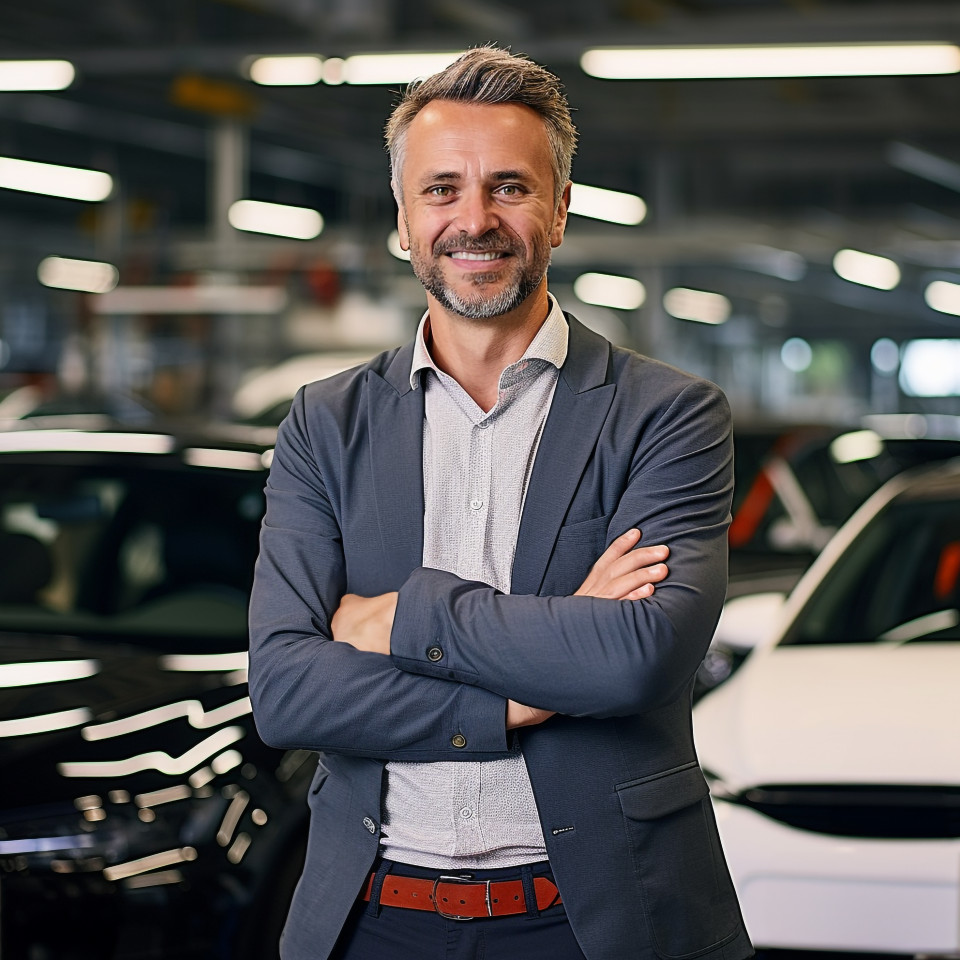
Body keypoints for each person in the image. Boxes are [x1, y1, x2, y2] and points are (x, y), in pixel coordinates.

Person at [249, 45, 753, 960]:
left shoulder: (667, 417)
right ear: (403, 220)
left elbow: (637, 658)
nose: (473, 220)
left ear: (558, 211)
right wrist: (518, 696)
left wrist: (401, 616)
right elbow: (287, 690)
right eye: (441, 189)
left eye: (509, 187)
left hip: (602, 920)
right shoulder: (325, 425)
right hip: (371, 920)